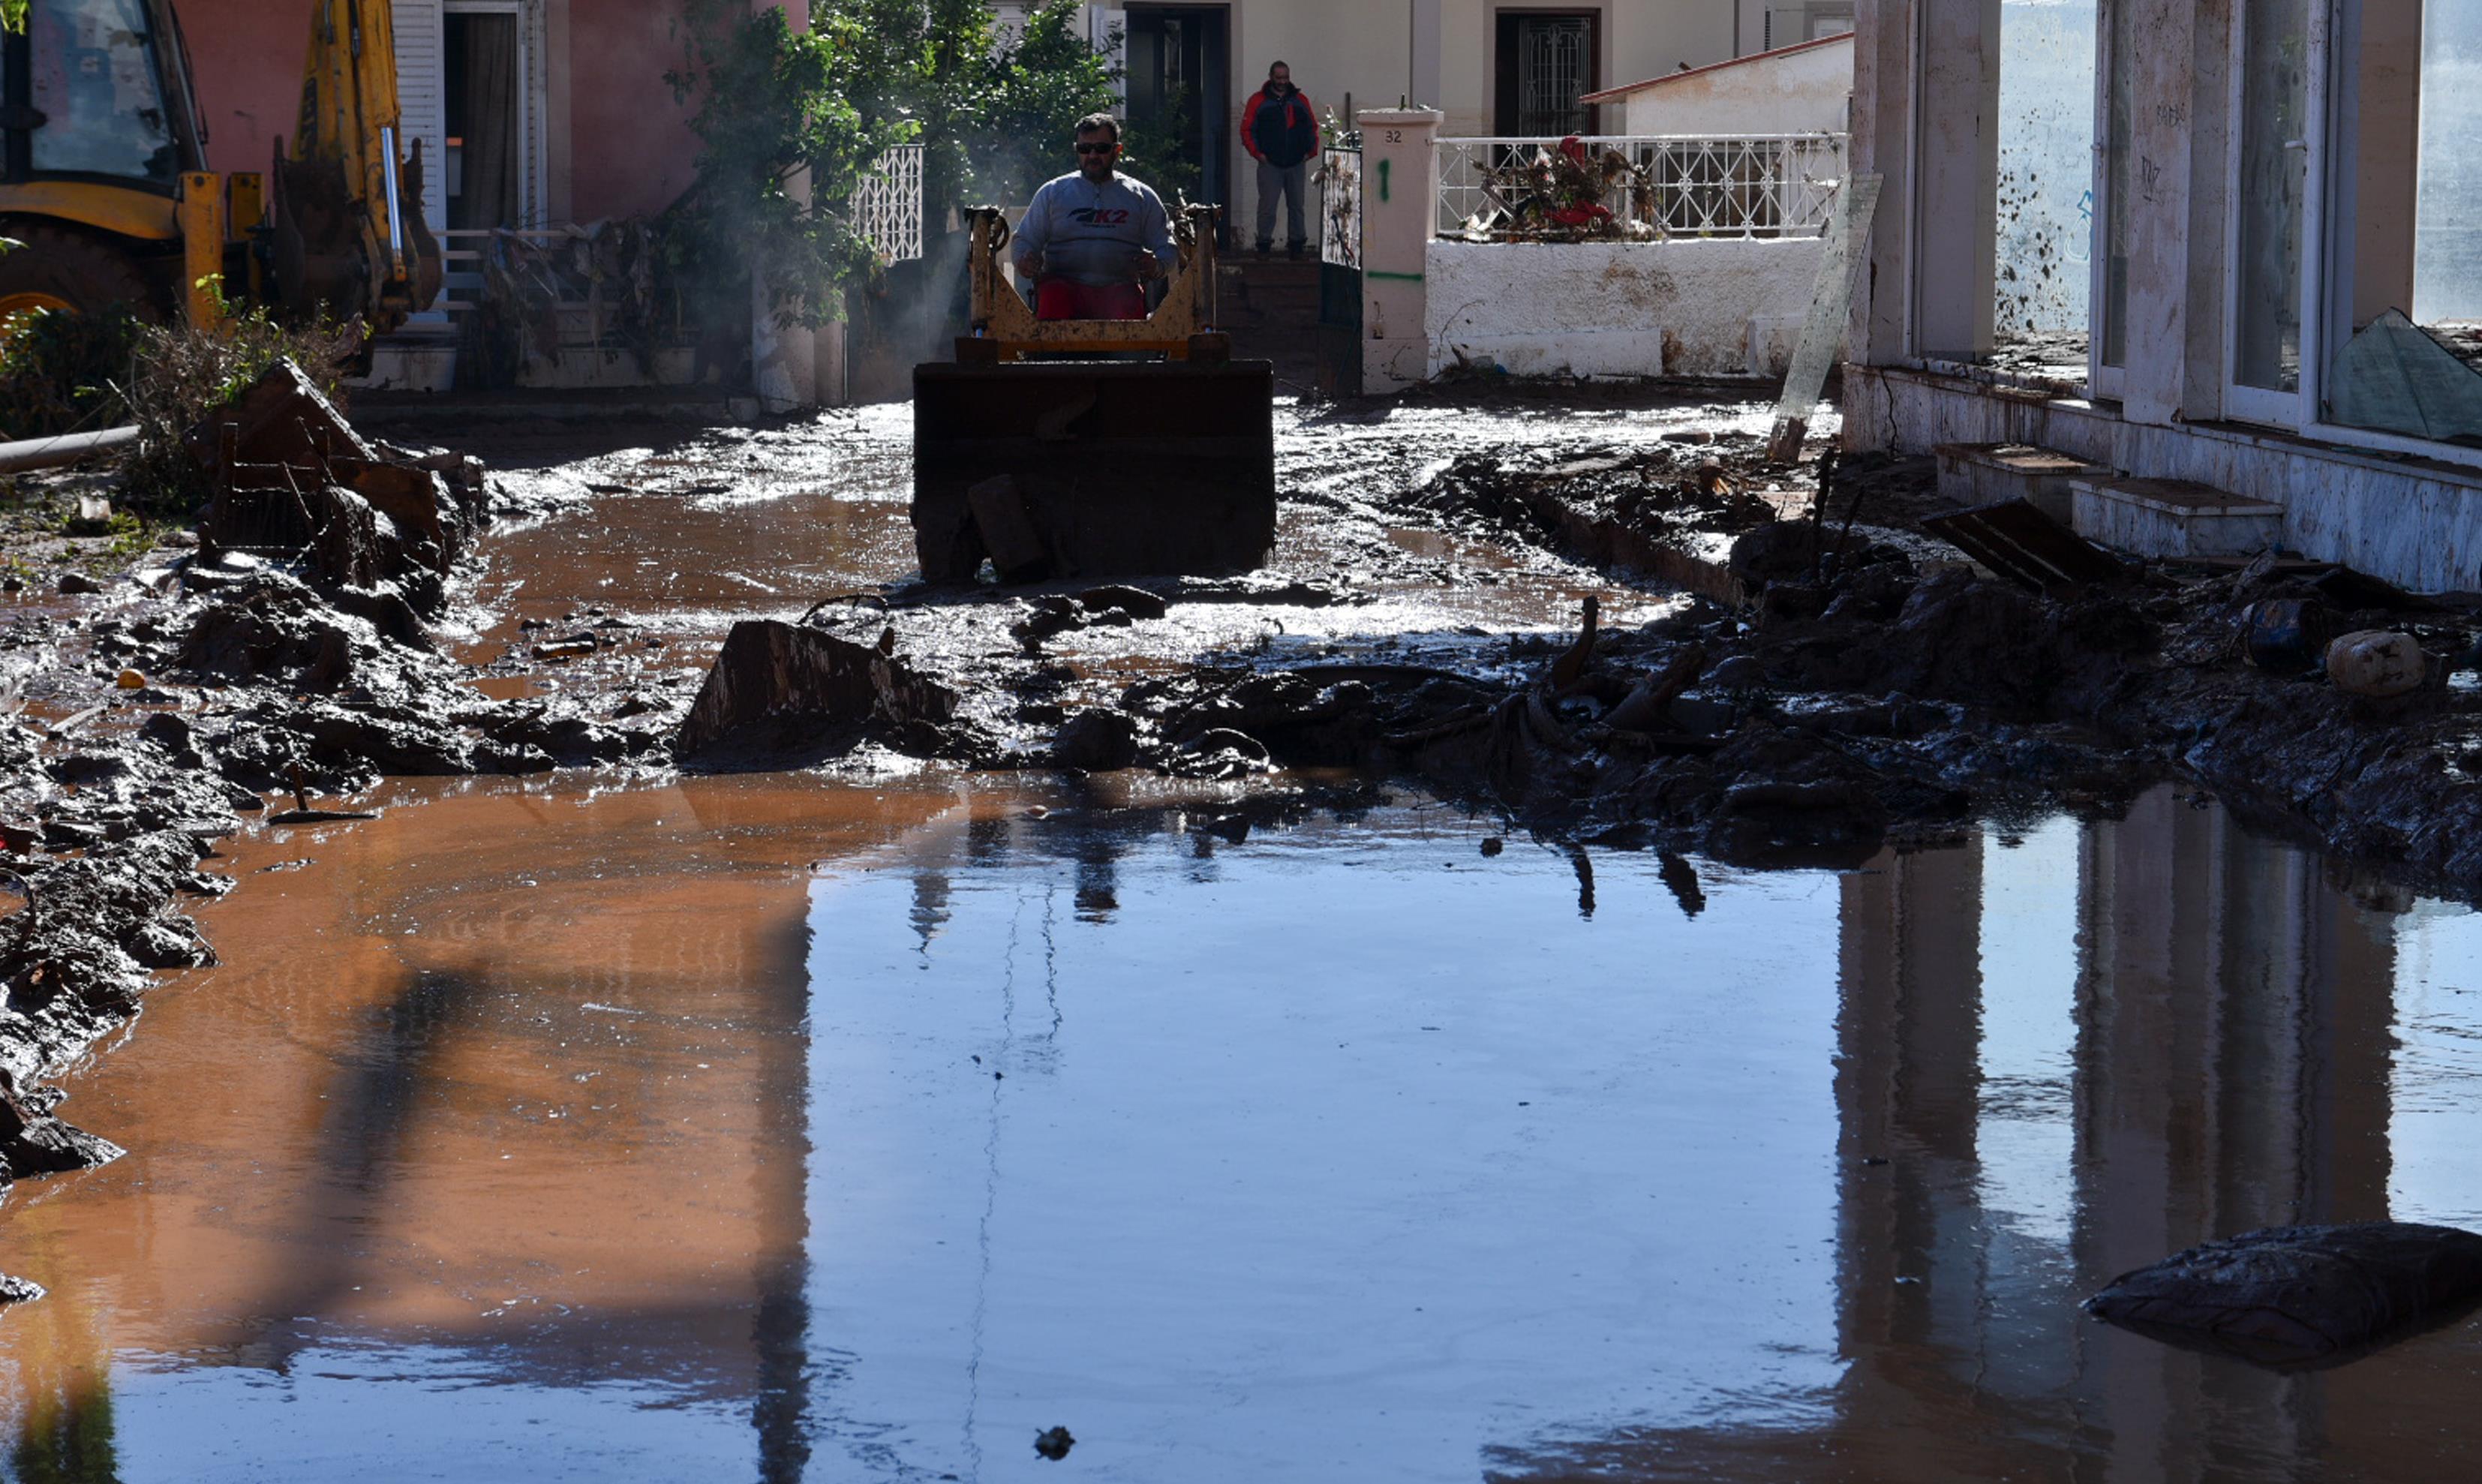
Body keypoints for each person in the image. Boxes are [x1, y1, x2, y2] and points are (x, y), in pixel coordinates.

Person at [1012, 113, 1179, 321]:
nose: (1092, 155)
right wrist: (1024, 261)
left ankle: (1132, 354)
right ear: (1076, 150)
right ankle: (1049, 354)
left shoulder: (1141, 196)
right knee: (1054, 295)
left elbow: (1167, 246)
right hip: (1063, 288)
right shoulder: (1053, 193)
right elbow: (1024, 240)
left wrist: (1157, 265)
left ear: (1117, 150)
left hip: (1120, 288)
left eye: (1101, 148)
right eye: (1084, 149)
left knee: (1128, 303)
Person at [1241, 62, 1320, 259]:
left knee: (1297, 206)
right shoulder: (1257, 101)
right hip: (1270, 164)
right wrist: (1257, 153)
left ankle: (1297, 246)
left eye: (1286, 78)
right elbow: (1247, 130)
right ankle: (1264, 246)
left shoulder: (1300, 100)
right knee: (1268, 207)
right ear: (1271, 77)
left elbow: (1312, 126)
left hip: (1296, 162)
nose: (1283, 82)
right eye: (1279, 78)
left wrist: (1310, 152)